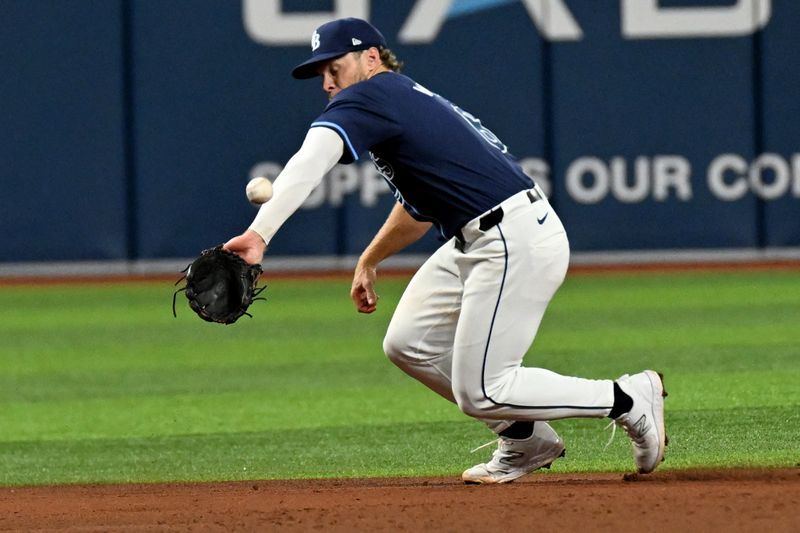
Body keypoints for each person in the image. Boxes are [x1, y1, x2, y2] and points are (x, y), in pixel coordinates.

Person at [224, 17, 667, 483]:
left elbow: (312, 158)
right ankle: (527, 439)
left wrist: (260, 233)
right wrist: (370, 259)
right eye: (321, 74)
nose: (328, 82)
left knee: (481, 391)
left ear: (370, 57)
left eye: (334, 67)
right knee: (407, 343)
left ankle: (627, 398)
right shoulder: (399, 99)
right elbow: (416, 210)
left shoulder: (371, 95)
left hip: (511, 238)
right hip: (481, 236)